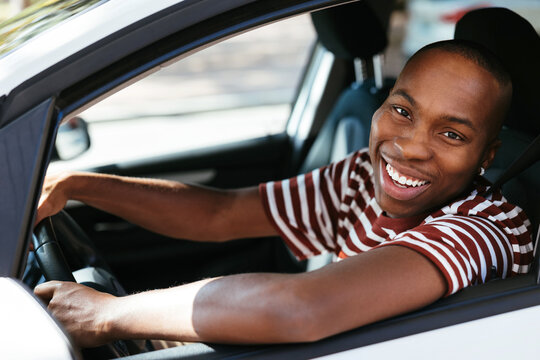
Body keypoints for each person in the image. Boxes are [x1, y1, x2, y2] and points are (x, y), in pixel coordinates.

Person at [34, 39, 533, 348]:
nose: (411, 147)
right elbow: (221, 214)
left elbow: (302, 308)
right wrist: (76, 185)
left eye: (452, 135)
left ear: (487, 156)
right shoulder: (364, 174)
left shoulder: (484, 231)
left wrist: (107, 315)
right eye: (403, 111)